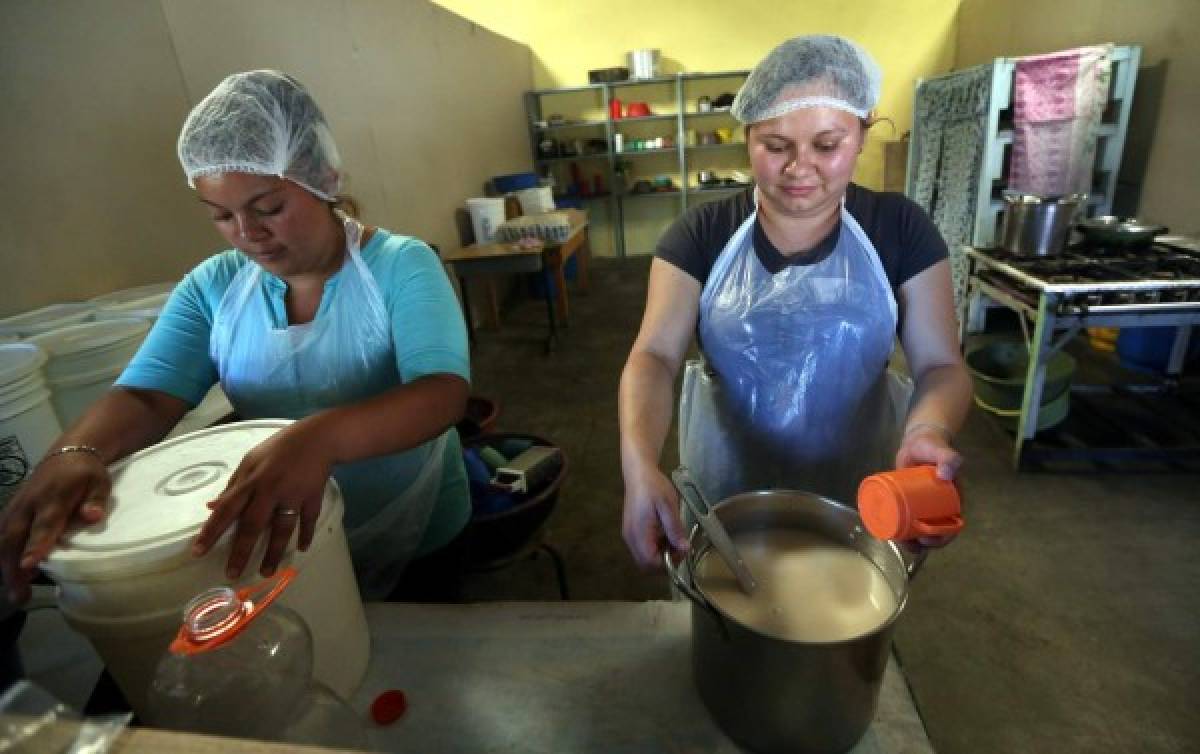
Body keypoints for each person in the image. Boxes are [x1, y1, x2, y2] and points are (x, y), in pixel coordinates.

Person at [0, 71, 472, 602]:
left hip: (413, 524)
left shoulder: (400, 266)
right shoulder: (214, 286)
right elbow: (148, 396)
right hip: (287, 536)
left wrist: (320, 437)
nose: (248, 234)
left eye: (268, 208)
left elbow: (442, 393)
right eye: (222, 216)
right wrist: (77, 451)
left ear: (321, 177)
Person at [618, 35, 973, 568]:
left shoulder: (900, 229)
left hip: (861, 498)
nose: (799, 167)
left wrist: (928, 430)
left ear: (863, 133)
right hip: (726, 501)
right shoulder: (702, 233)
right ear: (746, 137)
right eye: (775, 145)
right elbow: (654, 357)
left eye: (827, 145)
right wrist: (638, 464)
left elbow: (942, 364)